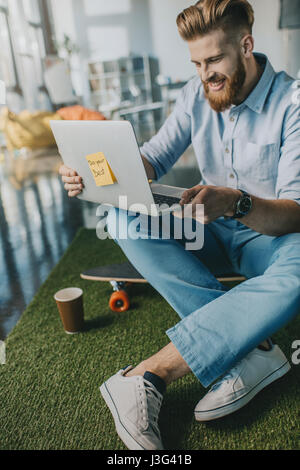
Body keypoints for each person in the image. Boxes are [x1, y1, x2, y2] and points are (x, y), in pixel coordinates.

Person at [59, 0, 300, 450]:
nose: (204, 73)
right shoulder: (196, 92)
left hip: (271, 236)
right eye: (196, 63)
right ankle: (251, 350)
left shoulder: (293, 102)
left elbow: (295, 211)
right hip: (206, 226)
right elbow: (151, 159)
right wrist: (92, 175)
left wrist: (237, 202)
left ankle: (147, 373)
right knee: (122, 216)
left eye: (213, 61)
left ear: (246, 45)